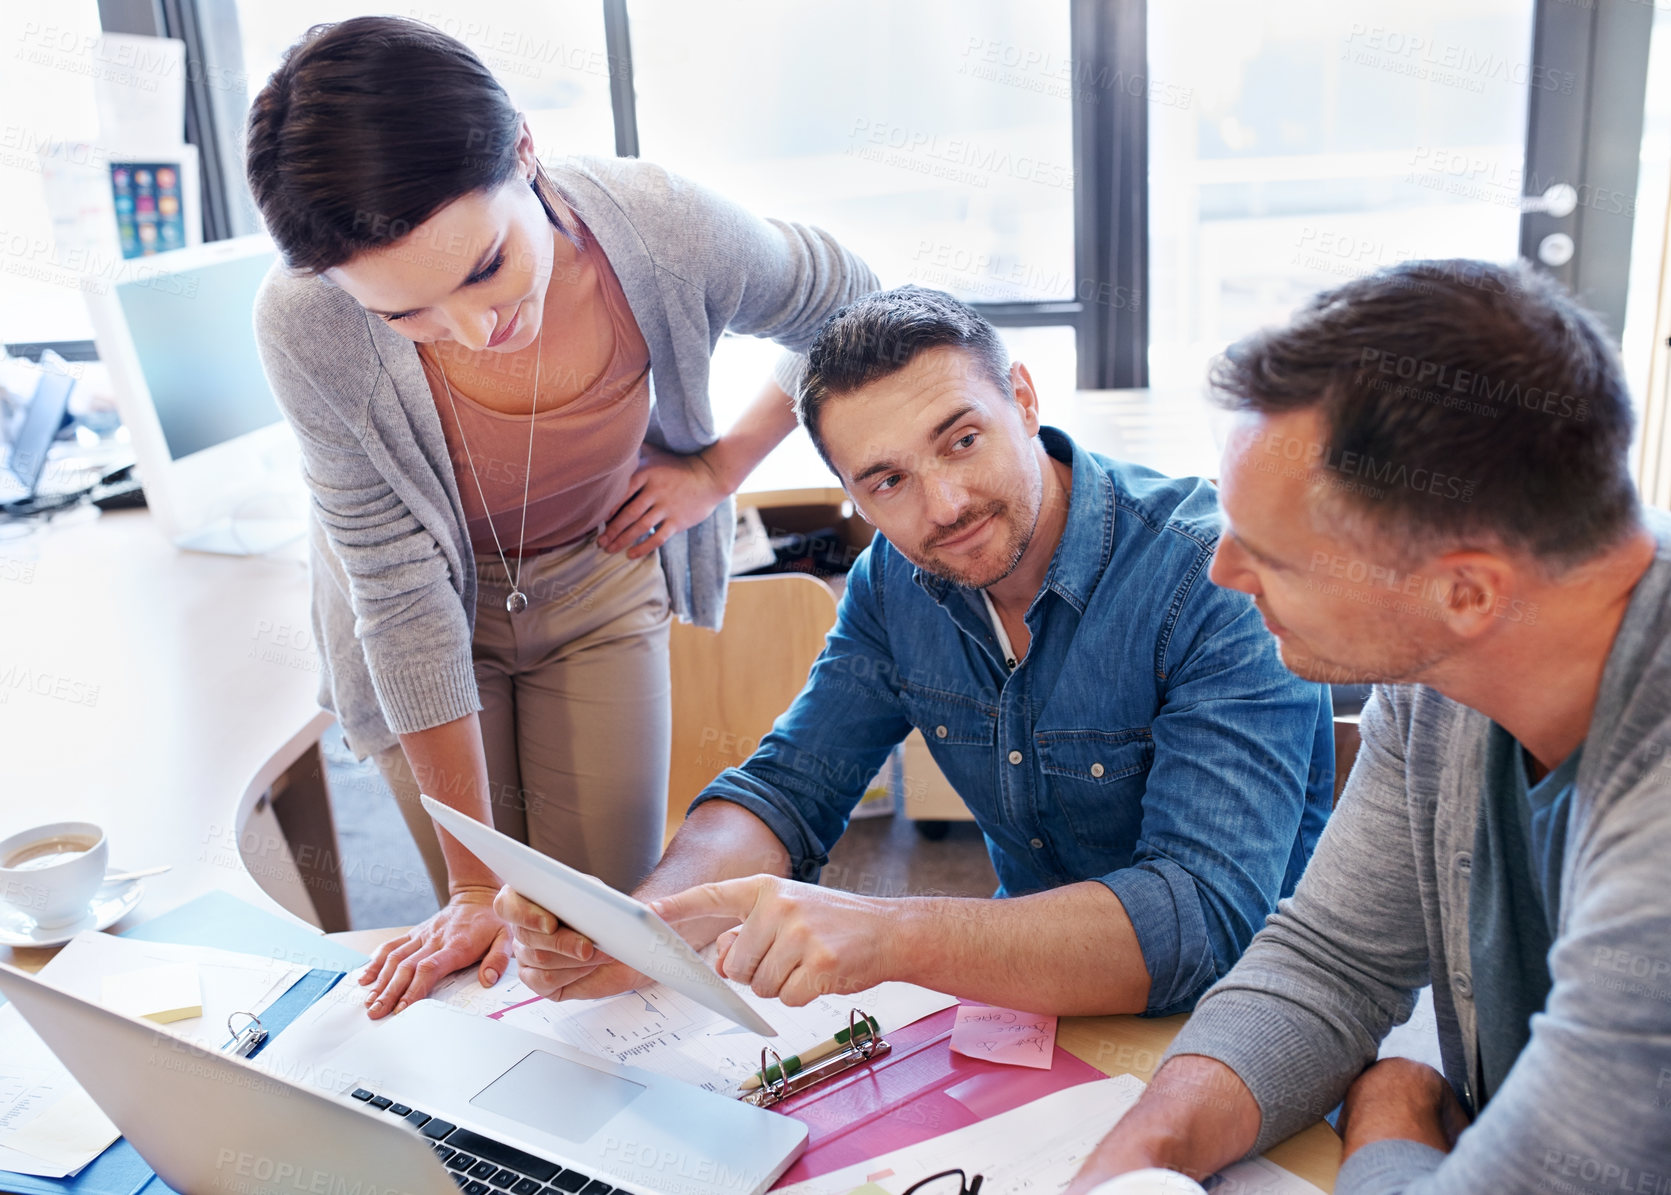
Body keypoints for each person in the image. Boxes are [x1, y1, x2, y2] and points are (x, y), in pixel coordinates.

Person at [245, 15, 877, 1020]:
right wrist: (467, 888)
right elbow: (398, 592)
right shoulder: (307, 320)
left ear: (526, 152)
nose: (474, 330)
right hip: (422, 616)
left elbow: (845, 302)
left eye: (485, 265)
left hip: (599, 575)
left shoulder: (660, 229)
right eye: (405, 314)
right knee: (487, 930)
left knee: (589, 940)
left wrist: (719, 466)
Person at [497, 286, 1334, 1017]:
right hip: (1034, 1003)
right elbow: (790, 785)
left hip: (1245, 1015)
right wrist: (647, 926)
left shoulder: (1207, 576)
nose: (945, 506)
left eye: (962, 439)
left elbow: (1202, 921)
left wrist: (888, 933)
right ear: (853, 495)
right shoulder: (894, 581)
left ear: (1024, 397)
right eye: (887, 481)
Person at [1067, 260, 1671, 1191]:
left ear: (1466, 590)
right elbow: (1331, 955)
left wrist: (1389, 1114)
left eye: (1269, 553)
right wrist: (1145, 1154)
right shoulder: (1444, 675)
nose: (1220, 570)